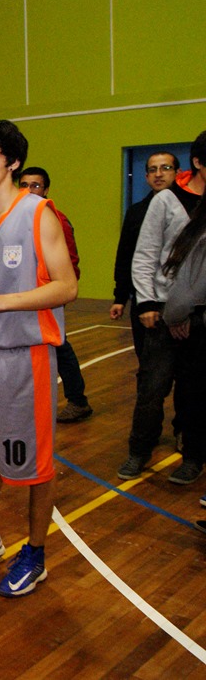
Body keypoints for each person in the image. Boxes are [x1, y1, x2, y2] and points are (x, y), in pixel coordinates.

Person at [0, 120, 77, 598]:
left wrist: (0, 303)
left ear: (12, 163)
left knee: (35, 463)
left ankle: (36, 553)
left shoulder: (38, 213)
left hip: (25, 354)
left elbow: (67, 287)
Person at [121, 131, 206, 483]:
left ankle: (193, 456)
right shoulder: (167, 201)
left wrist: (191, 310)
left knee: (195, 390)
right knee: (152, 388)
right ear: (198, 162)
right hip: (160, 313)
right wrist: (148, 303)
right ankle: (140, 449)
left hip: (199, 316)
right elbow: (145, 255)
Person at [19, 166, 93, 423]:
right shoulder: (15, 217)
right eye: (24, 185)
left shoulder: (55, 219)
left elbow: (70, 263)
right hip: (23, 297)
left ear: (46, 189)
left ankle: (77, 400)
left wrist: (53, 291)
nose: (29, 191)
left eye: (35, 185)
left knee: (58, 345)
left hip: (48, 297)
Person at [111, 152, 180, 359]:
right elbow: (126, 255)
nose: (158, 174)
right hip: (145, 300)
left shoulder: (190, 208)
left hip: (180, 301)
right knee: (148, 362)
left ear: (178, 172)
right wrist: (120, 297)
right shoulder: (136, 212)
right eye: (152, 170)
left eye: (165, 168)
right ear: (147, 177)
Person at [161, 199, 206, 502]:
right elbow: (184, 287)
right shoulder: (197, 234)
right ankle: (192, 457)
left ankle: (193, 458)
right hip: (197, 326)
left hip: (197, 324)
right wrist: (177, 316)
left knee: (194, 395)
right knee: (193, 395)